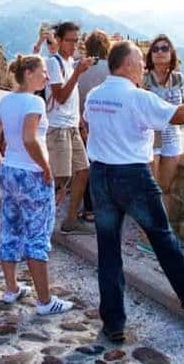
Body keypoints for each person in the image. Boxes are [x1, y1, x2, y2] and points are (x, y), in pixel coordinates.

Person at [84, 40, 184, 342]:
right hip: (132, 175)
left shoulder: (94, 95)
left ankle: (113, 323)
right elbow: (181, 115)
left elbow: (88, 126)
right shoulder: (138, 97)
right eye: (139, 60)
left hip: (99, 174)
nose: (143, 65)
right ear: (126, 65)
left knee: (108, 251)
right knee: (161, 235)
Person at [0, 54, 74, 315]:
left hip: (10, 171)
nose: (47, 76)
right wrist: (46, 167)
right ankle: (45, 301)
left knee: (10, 228)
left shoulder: (6, 101)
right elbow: (30, 139)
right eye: (43, 71)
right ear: (29, 73)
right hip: (32, 174)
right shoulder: (35, 102)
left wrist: (2, 163)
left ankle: (11, 288)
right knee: (38, 234)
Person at [44, 21, 95, 234]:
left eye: (76, 40)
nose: (73, 45)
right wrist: (77, 73)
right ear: (59, 40)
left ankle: (71, 219)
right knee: (60, 180)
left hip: (72, 126)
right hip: (58, 128)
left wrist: (80, 122)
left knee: (83, 171)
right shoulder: (53, 63)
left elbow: (72, 98)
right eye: (69, 40)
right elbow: (61, 96)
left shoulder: (70, 62)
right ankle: (41, 222)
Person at [137, 35, 184, 255]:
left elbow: (181, 107)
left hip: (172, 136)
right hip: (151, 137)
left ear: (171, 52)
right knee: (151, 190)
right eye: (155, 49)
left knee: (165, 188)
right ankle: (146, 235)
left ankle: (162, 233)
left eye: (164, 48)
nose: (159, 52)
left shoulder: (178, 79)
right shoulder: (144, 78)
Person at [76, 29, 112, 223]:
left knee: (87, 167)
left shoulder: (79, 67)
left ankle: (89, 209)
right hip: (107, 125)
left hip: (82, 123)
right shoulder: (112, 69)